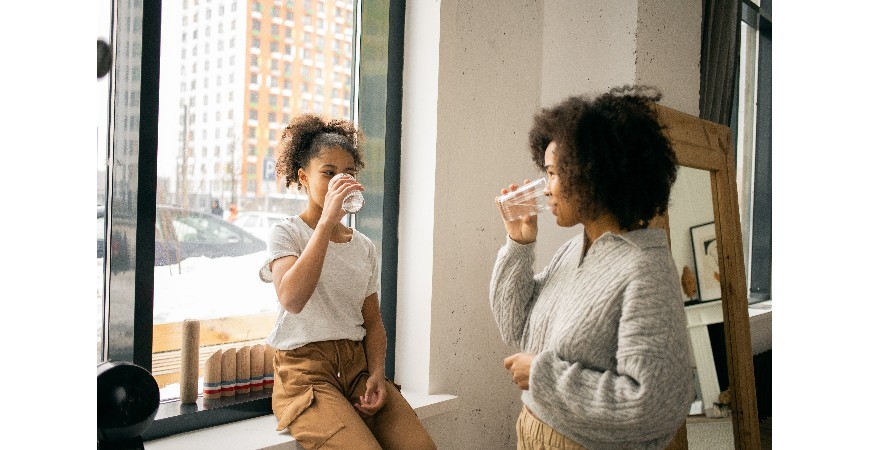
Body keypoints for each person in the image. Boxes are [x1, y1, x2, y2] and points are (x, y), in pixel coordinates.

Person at [489, 85, 695, 450]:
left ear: (594, 174)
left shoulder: (644, 270)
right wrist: (519, 245)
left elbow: (653, 404)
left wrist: (542, 376)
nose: (546, 189)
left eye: (554, 173)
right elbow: (516, 328)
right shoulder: (574, 251)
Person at [259, 114, 436, 450]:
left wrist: (376, 375)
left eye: (349, 174)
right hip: (306, 373)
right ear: (303, 177)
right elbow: (292, 299)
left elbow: (373, 323)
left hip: (356, 368)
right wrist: (326, 221)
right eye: (328, 173)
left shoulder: (363, 246)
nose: (340, 181)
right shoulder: (287, 233)